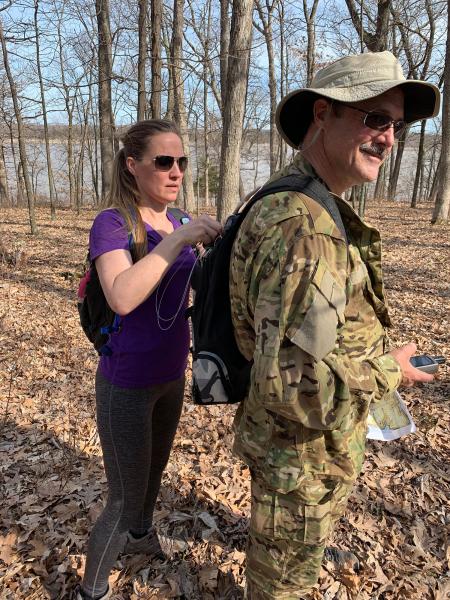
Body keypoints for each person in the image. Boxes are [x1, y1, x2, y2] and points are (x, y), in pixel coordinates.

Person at [229, 51, 440, 599]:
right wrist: (389, 371)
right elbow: (296, 390)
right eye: (375, 119)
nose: (388, 139)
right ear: (323, 114)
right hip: (299, 463)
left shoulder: (304, 199)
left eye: (396, 126)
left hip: (303, 457)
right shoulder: (304, 228)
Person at [74, 119, 221, 600]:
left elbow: (198, 288)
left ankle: (142, 537)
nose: (176, 171)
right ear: (132, 165)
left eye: (182, 161)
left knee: (153, 475)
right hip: (127, 383)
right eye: (164, 161)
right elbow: (121, 295)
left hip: (170, 377)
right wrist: (181, 240)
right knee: (123, 497)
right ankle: (92, 590)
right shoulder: (113, 223)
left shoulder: (179, 220)